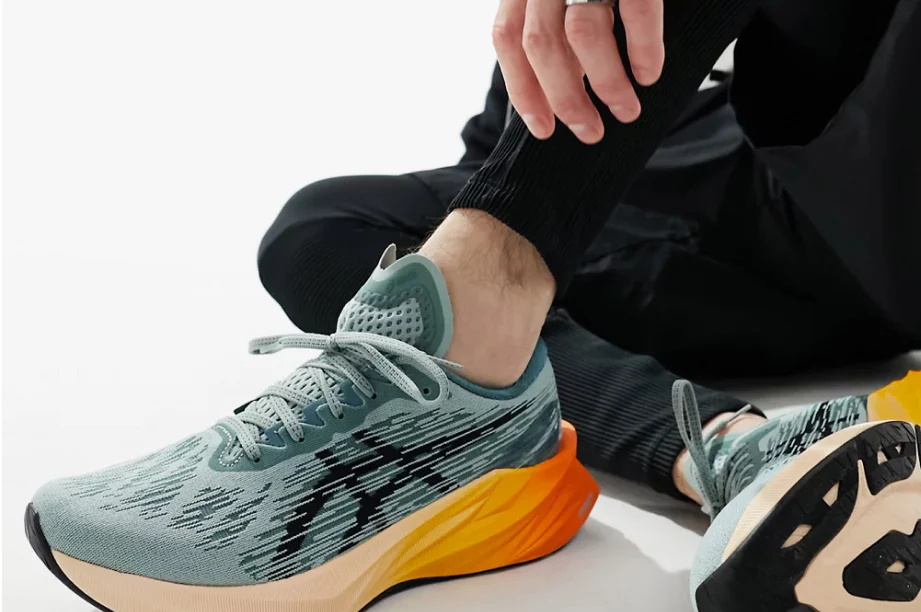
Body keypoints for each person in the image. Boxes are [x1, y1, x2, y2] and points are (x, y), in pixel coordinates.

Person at [25, 3, 921, 612]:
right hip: (729, 179)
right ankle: (722, 447)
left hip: (881, 176)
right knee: (326, 227)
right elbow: (500, 144)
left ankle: (547, 390)